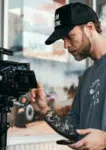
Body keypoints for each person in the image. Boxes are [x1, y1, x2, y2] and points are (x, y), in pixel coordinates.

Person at [29, 2, 106, 150]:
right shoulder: (86, 77)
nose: (66, 45)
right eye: (63, 39)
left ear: (89, 28)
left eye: (70, 37)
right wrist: (44, 110)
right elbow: (73, 130)